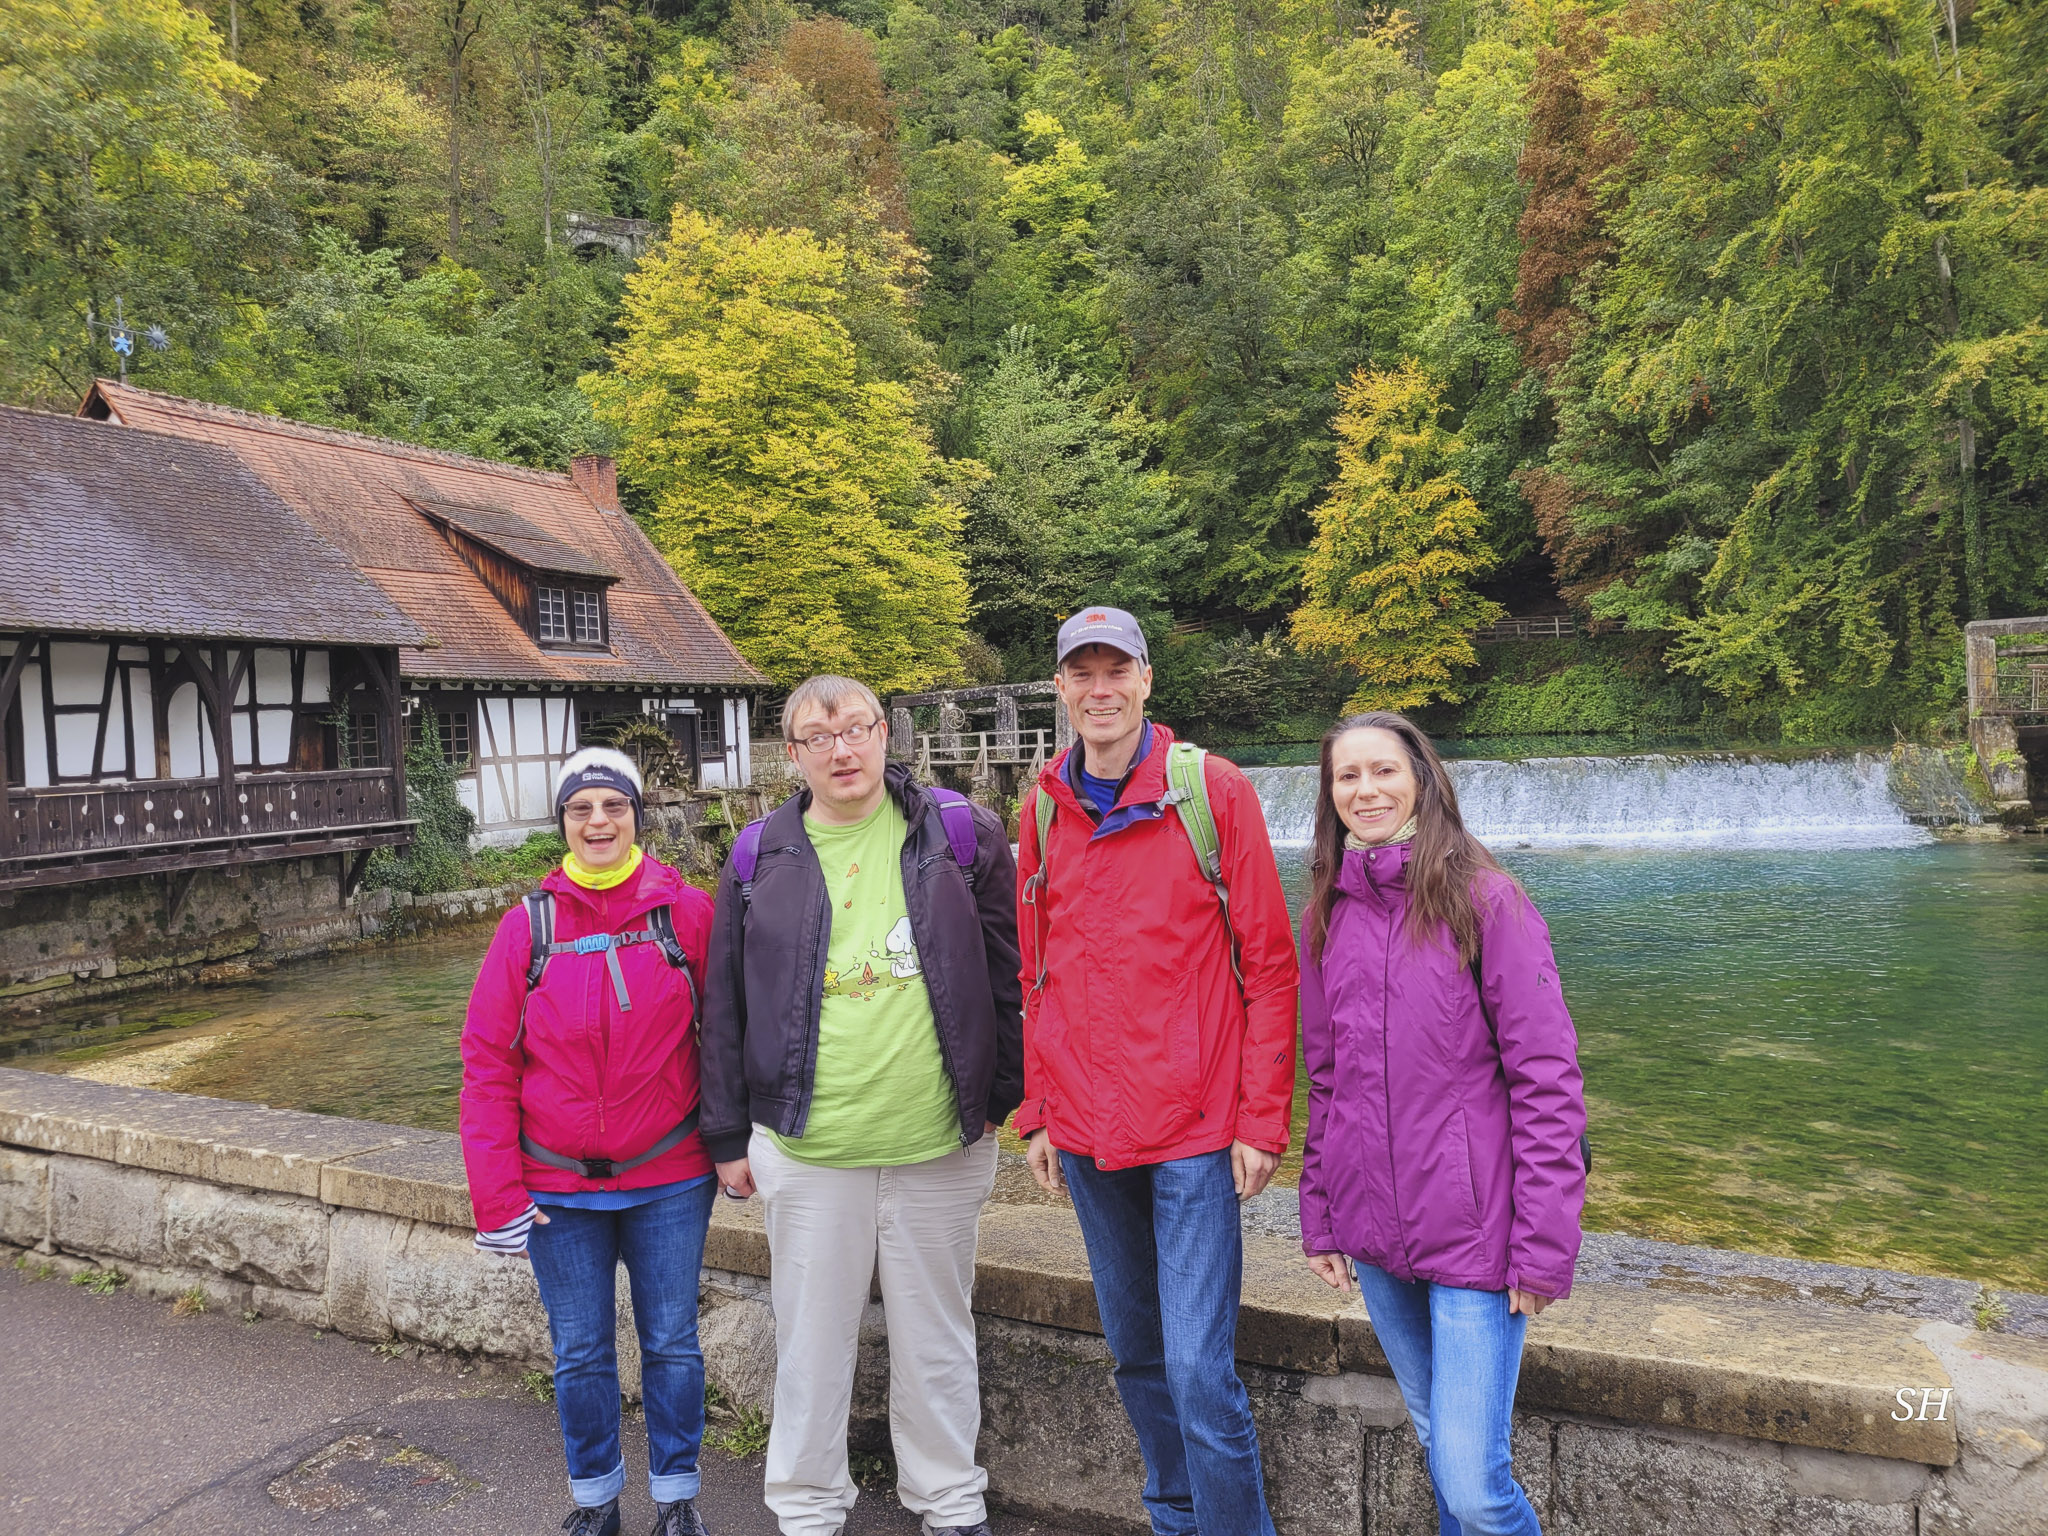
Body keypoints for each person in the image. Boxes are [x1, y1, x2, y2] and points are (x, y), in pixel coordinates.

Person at [699, 675, 1023, 1536]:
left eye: (855, 729)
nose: (841, 750)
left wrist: (1000, 1095)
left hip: (940, 1140)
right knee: (810, 1340)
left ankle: (949, 1500)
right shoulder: (758, 854)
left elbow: (1011, 972)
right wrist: (727, 1131)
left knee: (938, 1336)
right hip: (807, 1144)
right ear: (794, 754)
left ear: (885, 733)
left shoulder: (959, 833)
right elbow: (724, 1002)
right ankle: (806, 1509)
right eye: (817, 736)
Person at [1015, 607, 1299, 1536]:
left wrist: (1263, 1121)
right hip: (1090, 1128)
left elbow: (1269, 963)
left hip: (1193, 1126)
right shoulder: (1041, 803)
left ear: (1146, 680)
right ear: (1061, 689)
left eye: (1116, 670)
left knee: (1196, 1370)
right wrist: (1040, 1112)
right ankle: (1175, 1515)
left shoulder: (1208, 791)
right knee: (1136, 1352)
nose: (1100, 689)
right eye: (1081, 674)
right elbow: (1036, 971)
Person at [1298, 713, 1586, 1536]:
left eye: (1383, 771)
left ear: (1421, 778)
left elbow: (1547, 1082)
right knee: (1438, 1447)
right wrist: (1320, 1215)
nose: (1366, 790)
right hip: (1377, 1234)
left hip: (1476, 1237)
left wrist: (1542, 1245)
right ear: (1331, 796)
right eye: (1347, 777)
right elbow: (1328, 1078)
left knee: (1472, 1482)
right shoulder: (1328, 913)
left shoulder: (1486, 900)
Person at [460, 747, 718, 1536]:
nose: (598, 821)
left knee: (672, 1343)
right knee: (578, 1352)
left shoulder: (688, 914)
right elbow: (486, 1062)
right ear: (564, 822)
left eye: (613, 806)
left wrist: (742, 1145)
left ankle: (677, 1503)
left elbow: (731, 1039)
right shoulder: (525, 928)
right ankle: (596, 1500)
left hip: (670, 1175)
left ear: (638, 815)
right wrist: (497, 1193)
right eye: (581, 809)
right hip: (556, 1189)